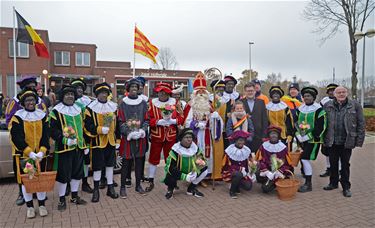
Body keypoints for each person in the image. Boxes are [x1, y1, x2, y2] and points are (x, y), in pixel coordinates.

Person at [5, 75, 47, 206]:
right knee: (23, 172)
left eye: (34, 86)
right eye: (30, 87)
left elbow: (45, 119)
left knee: (39, 170)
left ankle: (37, 193)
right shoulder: (15, 102)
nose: (33, 89)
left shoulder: (40, 102)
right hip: (21, 144)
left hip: (38, 143)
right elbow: (9, 119)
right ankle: (22, 193)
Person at [49, 85, 88, 211]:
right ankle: (61, 199)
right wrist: (65, 139)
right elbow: (52, 130)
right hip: (64, 148)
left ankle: (74, 196)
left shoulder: (79, 109)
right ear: (62, 97)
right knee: (63, 175)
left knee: (77, 173)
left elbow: (83, 128)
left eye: (72, 94)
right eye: (67, 94)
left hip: (79, 147)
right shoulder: (56, 111)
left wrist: (85, 144)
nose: (70, 96)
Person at [323, 86, 365, 197]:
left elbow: (361, 123)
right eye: (339, 92)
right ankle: (333, 183)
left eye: (343, 92)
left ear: (347, 93)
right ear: (335, 94)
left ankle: (346, 187)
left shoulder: (355, 105)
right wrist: (322, 139)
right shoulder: (328, 105)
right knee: (333, 164)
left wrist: (359, 140)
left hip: (347, 141)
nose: (341, 94)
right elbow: (323, 124)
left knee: (345, 165)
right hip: (332, 140)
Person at [84, 82, 120, 202]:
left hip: (111, 142)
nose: (103, 95)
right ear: (97, 94)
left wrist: (118, 140)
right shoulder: (90, 108)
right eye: (101, 93)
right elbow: (87, 126)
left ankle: (110, 188)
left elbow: (118, 125)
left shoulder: (113, 107)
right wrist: (99, 129)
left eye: (105, 93)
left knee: (110, 166)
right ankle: (96, 190)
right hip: (97, 142)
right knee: (97, 167)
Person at [184, 72, 223, 182]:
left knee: (207, 153)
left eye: (203, 91)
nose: (201, 94)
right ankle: (195, 176)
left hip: (206, 134)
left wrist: (216, 118)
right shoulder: (191, 105)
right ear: (195, 93)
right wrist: (196, 124)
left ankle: (205, 175)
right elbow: (186, 122)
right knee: (195, 153)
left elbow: (216, 122)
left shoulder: (210, 105)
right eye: (198, 91)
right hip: (195, 134)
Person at [145, 82, 183, 192]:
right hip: (157, 136)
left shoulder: (175, 103)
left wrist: (174, 121)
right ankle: (151, 180)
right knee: (153, 159)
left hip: (171, 136)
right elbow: (148, 119)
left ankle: (171, 181)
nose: (161, 94)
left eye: (164, 93)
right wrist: (157, 122)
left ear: (168, 94)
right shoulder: (152, 103)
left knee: (170, 159)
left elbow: (181, 117)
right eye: (160, 92)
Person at [118, 78, 149, 198]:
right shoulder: (123, 103)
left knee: (139, 162)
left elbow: (146, 119)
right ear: (128, 89)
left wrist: (142, 131)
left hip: (140, 137)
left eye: (136, 88)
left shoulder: (143, 103)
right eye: (132, 88)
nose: (134, 90)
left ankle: (138, 186)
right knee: (126, 163)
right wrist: (128, 132)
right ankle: (122, 187)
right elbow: (120, 121)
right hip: (128, 138)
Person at [295, 87, 327, 193]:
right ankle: (307, 179)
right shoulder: (300, 109)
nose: (306, 98)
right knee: (303, 159)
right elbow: (295, 123)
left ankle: (308, 184)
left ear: (313, 97)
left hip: (313, 140)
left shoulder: (319, 110)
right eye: (304, 96)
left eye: (309, 96)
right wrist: (298, 135)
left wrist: (308, 136)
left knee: (304, 159)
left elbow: (321, 126)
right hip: (301, 139)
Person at [163, 128, 208, 199]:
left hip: (191, 171)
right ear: (181, 138)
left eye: (190, 137)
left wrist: (202, 162)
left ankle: (191, 189)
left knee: (205, 170)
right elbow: (170, 168)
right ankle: (170, 189)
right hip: (179, 171)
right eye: (186, 137)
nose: (189, 139)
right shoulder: (175, 150)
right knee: (170, 174)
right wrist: (184, 176)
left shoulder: (195, 148)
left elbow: (201, 157)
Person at [71, 78, 94, 193]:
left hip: (85, 136)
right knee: (71, 161)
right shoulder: (67, 103)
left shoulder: (88, 102)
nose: (79, 89)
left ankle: (85, 183)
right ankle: (69, 186)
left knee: (86, 161)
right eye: (76, 88)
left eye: (81, 88)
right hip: (71, 138)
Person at [255, 125, 292, 193]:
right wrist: (266, 171)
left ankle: (276, 182)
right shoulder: (264, 146)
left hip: (278, 171)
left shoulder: (283, 147)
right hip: (267, 169)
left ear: (278, 135)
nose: (273, 135)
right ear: (269, 135)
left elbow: (287, 163)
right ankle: (269, 180)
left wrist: (278, 171)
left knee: (265, 189)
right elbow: (260, 160)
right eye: (272, 134)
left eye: (275, 134)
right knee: (257, 174)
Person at [222, 130, 254, 199]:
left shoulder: (247, 150)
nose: (241, 142)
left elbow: (250, 162)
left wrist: (252, 169)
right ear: (235, 141)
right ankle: (232, 191)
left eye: (242, 140)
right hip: (231, 172)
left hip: (243, 173)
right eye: (239, 140)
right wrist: (240, 169)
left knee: (248, 186)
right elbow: (226, 166)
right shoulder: (229, 150)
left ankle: (237, 186)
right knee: (238, 174)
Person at [241, 82, 268, 153]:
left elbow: (265, 119)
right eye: (248, 91)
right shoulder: (240, 102)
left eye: (252, 91)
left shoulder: (261, 102)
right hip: (244, 135)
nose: (250, 92)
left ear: (255, 91)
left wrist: (264, 135)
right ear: (245, 92)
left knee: (257, 159)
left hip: (258, 135)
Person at [319, 83, 339, 177]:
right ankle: (328, 168)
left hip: (338, 130)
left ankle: (338, 169)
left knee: (338, 151)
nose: (332, 92)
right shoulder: (324, 101)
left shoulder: (341, 100)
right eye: (330, 91)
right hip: (327, 129)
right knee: (327, 151)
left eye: (333, 90)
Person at [208, 79, 227, 180]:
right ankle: (210, 174)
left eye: (222, 88)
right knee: (211, 152)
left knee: (220, 151)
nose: (220, 89)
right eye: (218, 87)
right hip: (210, 129)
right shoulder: (209, 99)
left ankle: (218, 173)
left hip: (221, 129)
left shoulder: (227, 99)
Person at [222, 75, 240, 148]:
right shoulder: (221, 96)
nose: (230, 86)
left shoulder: (237, 96)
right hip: (224, 123)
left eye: (232, 84)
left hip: (236, 123)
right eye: (228, 84)